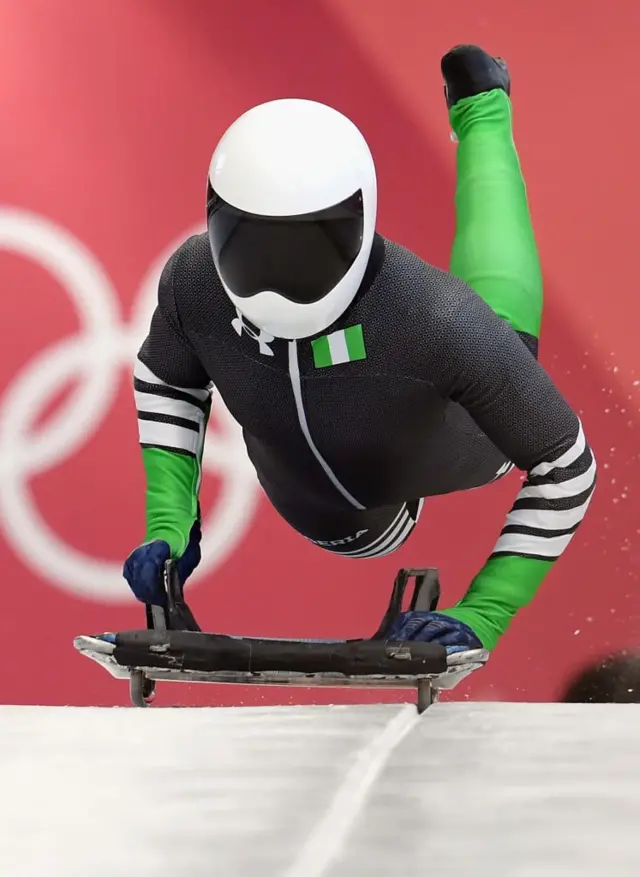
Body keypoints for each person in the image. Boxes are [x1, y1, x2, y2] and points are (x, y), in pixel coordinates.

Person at [124, 45, 597, 653]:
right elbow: (167, 377)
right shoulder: (193, 281)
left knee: (497, 325)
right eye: (250, 243)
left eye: (305, 248)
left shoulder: (436, 319)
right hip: (339, 517)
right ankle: (481, 113)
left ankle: (483, 113)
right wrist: (169, 522)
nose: (275, 277)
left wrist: (486, 613)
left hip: (458, 438)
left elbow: (567, 466)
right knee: (483, 319)